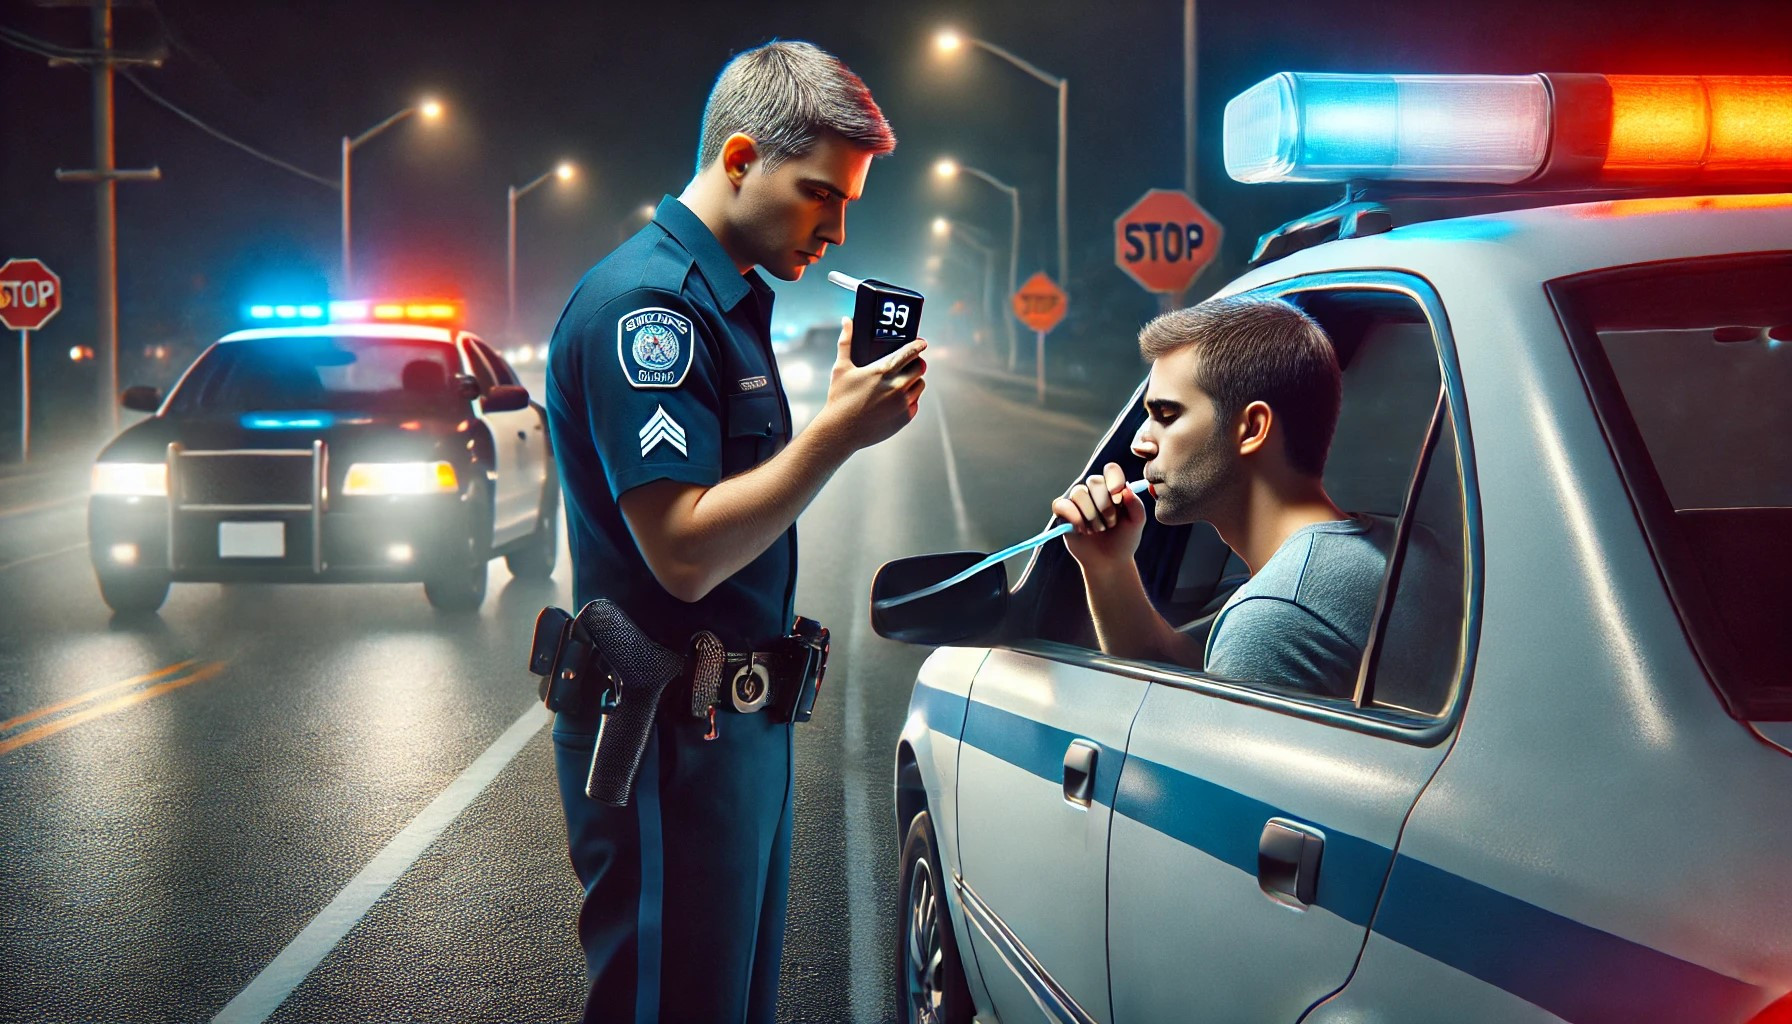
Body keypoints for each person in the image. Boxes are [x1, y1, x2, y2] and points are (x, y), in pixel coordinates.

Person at [542, 40, 925, 1024]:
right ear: (742, 157)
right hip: (669, 736)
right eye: (820, 195)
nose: (835, 231)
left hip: (730, 730)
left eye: (847, 204)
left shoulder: (724, 301)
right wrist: (836, 433)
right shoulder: (651, 309)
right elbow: (682, 549)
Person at [1052, 296, 1392, 697]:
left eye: (1166, 416)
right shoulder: (1372, 545)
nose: (1141, 443)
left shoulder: (1279, 613)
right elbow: (1196, 679)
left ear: (1252, 428)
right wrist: (1109, 567)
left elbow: (1173, 745)